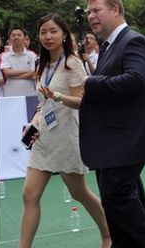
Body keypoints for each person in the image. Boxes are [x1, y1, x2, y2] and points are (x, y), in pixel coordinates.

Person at [80, 0, 145, 247]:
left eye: (96, 10)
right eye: (88, 12)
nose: (91, 17)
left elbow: (137, 80)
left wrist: (92, 83)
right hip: (115, 143)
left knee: (119, 201)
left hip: (128, 140)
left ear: (116, 9)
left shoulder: (133, 41)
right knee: (122, 202)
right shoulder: (110, 46)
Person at [19, 13, 111, 248]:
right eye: (43, 32)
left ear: (63, 35)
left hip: (68, 137)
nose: (48, 37)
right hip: (44, 139)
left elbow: (82, 101)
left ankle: (109, 235)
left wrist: (58, 96)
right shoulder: (42, 65)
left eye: (53, 31)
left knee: (79, 193)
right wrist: (33, 123)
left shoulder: (73, 63)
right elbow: (43, 103)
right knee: (29, 195)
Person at [1, 26, 38, 97]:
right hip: (10, 94)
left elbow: (33, 73)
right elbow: (7, 73)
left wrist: (13, 76)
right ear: (9, 39)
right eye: (13, 35)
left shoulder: (32, 55)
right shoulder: (5, 56)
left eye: (19, 35)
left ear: (24, 38)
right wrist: (27, 71)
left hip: (29, 93)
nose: (16, 37)